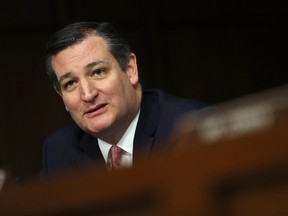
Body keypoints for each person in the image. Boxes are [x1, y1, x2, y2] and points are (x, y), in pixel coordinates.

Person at [40, 21, 208, 177]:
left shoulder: (190, 127)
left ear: (130, 69)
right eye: (70, 83)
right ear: (61, 95)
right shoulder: (59, 151)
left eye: (98, 72)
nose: (88, 94)